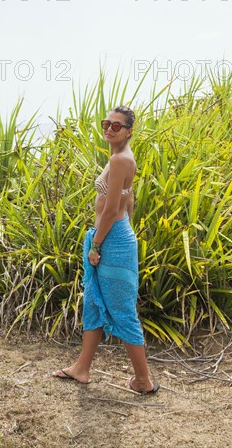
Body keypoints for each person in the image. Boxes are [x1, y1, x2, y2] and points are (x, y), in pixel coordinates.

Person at [52, 105, 160, 395]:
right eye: (107, 123)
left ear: (129, 132)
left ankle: (143, 381)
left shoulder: (122, 160)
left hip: (110, 240)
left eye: (117, 126)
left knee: (122, 312)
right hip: (113, 236)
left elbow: (112, 210)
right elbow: (129, 199)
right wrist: (120, 232)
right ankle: (82, 369)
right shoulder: (118, 157)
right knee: (95, 303)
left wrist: (97, 244)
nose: (110, 129)